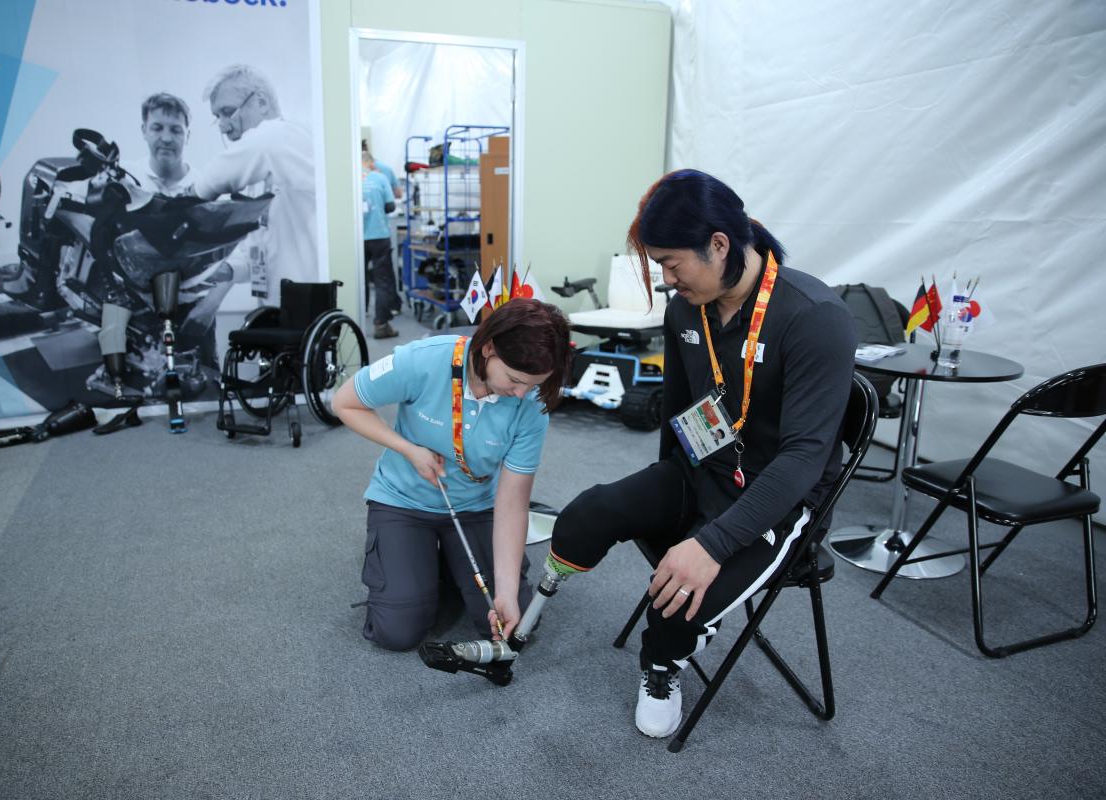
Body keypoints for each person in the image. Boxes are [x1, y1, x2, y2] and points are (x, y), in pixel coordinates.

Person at [548, 169, 856, 738]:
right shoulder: (686, 309)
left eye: (670, 263)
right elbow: (682, 411)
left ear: (718, 244)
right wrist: (662, 496)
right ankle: (545, 599)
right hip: (704, 470)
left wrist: (710, 542)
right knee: (591, 512)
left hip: (780, 499)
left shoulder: (815, 317)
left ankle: (663, 665)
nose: (667, 280)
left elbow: (803, 460)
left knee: (673, 605)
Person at [333, 298, 572, 651]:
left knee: (512, 624)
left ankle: (440, 564)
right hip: (404, 501)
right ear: (488, 348)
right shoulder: (423, 360)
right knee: (398, 633)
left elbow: (511, 503)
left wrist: (505, 591)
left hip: (475, 507)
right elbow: (345, 403)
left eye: (532, 384)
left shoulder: (531, 404)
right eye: (515, 380)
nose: (521, 393)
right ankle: (429, 565)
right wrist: (408, 449)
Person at [194, 64, 317, 308]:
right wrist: (227, 269)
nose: (222, 125)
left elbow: (261, 143)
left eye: (227, 112)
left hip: (312, 308)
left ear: (261, 102)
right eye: (217, 117)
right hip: (274, 309)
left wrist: (191, 195)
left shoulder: (288, 137)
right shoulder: (259, 173)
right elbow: (258, 247)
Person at [119, 92, 232, 356]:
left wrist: (210, 307)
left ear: (187, 136)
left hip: (194, 314)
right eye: (157, 128)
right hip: (135, 315)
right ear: (144, 130)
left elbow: (234, 254)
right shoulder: (124, 180)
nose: (166, 138)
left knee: (203, 390)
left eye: (176, 130)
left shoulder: (209, 187)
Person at [362, 150, 397, 339]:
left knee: (360, 277)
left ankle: (361, 314)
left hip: (358, 237)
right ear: (371, 163)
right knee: (382, 279)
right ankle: (381, 324)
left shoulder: (350, 178)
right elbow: (391, 206)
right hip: (379, 235)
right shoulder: (379, 177)